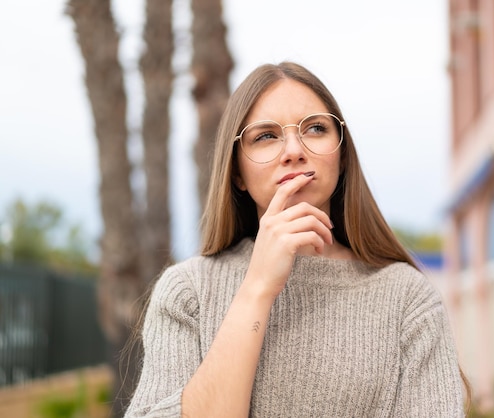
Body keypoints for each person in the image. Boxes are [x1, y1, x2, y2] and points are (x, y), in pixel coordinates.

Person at [125, 61, 468, 417]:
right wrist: (257, 287)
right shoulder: (188, 291)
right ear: (237, 172)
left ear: (343, 155)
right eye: (266, 136)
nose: (293, 150)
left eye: (315, 128)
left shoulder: (407, 299)